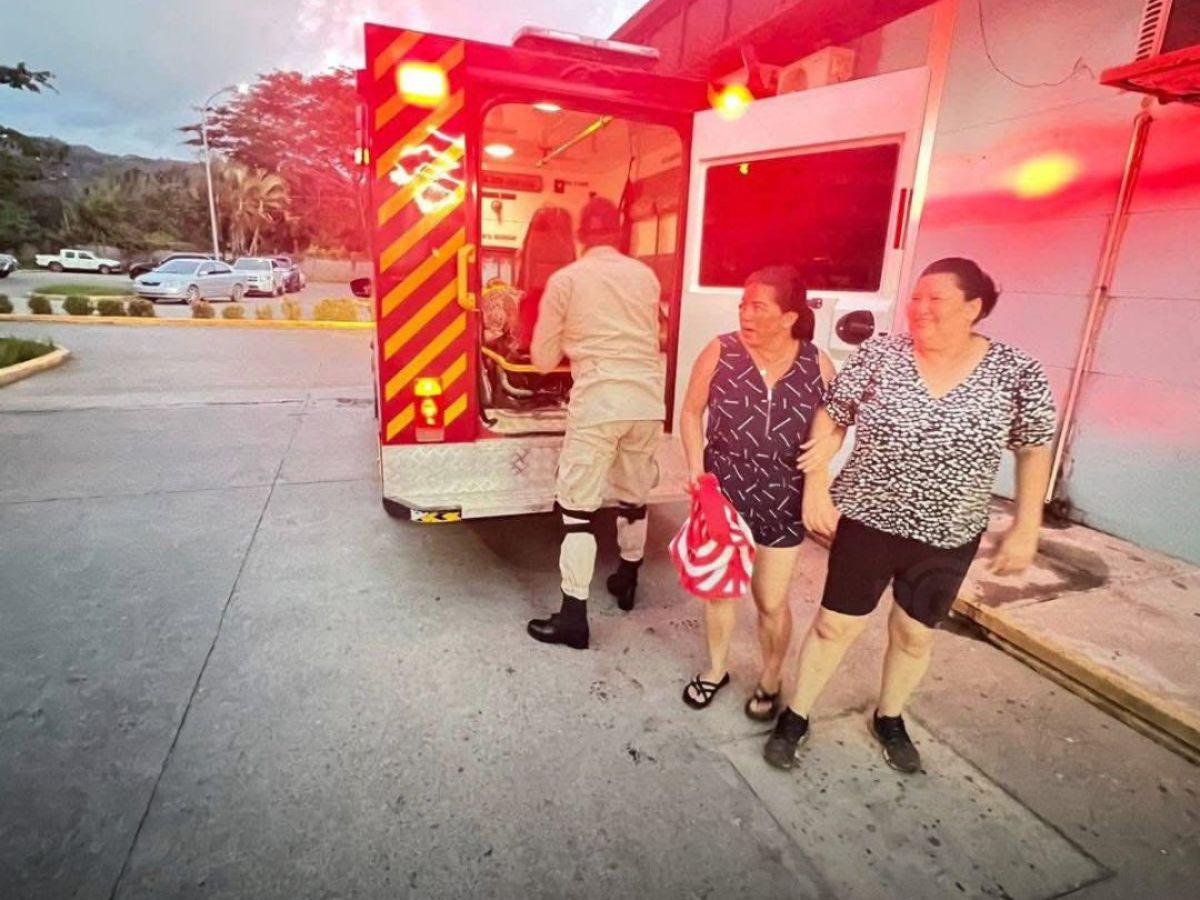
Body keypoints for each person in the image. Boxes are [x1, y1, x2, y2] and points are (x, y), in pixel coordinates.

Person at [764, 257, 1057, 774]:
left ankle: (890, 716)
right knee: (835, 626)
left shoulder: (1015, 371)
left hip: (948, 532)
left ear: (973, 308)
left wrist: (1026, 523)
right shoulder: (880, 354)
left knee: (914, 632)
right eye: (915, 298)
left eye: (935, 299)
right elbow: (831, 417)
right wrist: (816, 483)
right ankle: (797, 715)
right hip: (868, 521)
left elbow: (1034, 447)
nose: (919, 309)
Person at [677, 266, 834, 716]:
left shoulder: (816, 362)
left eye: (758, 306)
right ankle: (716, 669)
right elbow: (690, 413)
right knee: (721, 591)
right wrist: (694, 468)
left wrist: (822, 463)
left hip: (784, 495)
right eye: (743, 305)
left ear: (788, 316)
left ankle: (770, 676)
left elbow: (833, 423)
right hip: (723, 492)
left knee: (770, 600)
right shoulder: (720, 351)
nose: (745, 314)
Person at [525, 197, 666, 650]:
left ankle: (573, 618)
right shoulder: (645, 276)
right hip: (646, 401)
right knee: (633, 495)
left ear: (581, 237)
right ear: (621, 234)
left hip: (600, 403)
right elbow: (656, 332)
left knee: (577, 510)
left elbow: (543, 359)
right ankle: (627, 579)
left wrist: (573, 339)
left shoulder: (566, 279)